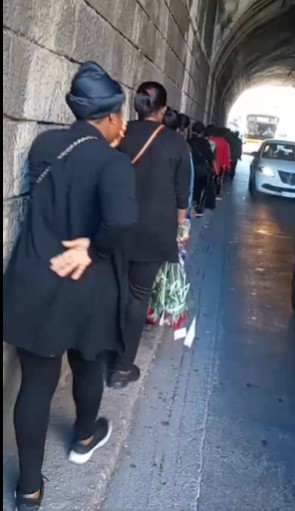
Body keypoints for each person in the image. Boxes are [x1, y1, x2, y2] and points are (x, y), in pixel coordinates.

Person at [3, 62, 138, 511]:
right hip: (84, 285)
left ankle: (28, 490)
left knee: (36, 384)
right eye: (120, 118)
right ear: (111, 116)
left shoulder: (45, 145)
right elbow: (121, 220)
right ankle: (84, 436)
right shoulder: (114, 163)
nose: (123, 126)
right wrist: (92, 248)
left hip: (33, 277)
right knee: (88, 363)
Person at [108, 82, 192, 389]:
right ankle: (121, 368)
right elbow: (182, 197)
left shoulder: (120, 134)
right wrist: (180, 229)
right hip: (155, 232)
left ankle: (99, 350)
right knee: (138, 295)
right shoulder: (176, 143)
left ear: (137, 106)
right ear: (163, 109)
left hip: (116, 226)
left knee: (113, 289)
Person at [189, 122, 215, 217]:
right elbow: (210, 157)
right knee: (201, 189)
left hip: (190, 167)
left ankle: (189, 205)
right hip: (202, 169)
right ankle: (199, 208)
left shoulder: (188, 141)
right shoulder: (205, 143)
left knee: (190, 187)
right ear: (202, 132)